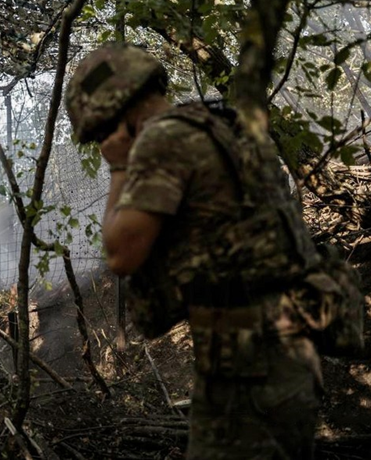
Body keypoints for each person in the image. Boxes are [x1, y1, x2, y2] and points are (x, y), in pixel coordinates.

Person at [65, 43, 322, 459]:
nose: (102, 143)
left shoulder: (161, 142)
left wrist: (119, 166)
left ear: (118, 113)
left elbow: (120, 254)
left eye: (100, 132)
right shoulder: (216, 123)